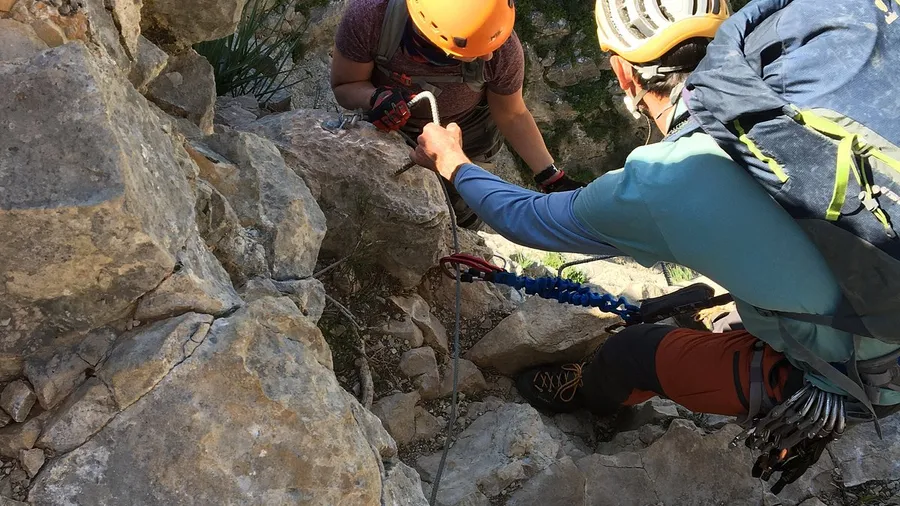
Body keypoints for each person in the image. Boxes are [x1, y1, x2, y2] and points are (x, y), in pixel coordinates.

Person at [410, 0, 900, 492]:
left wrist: (453, 162)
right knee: (704, 305)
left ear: (624, 74)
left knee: (629, 352)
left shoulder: (667, 181)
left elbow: (527, 219)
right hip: (872, 291)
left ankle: (592, 395)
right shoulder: (819, 53)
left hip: (857, 373)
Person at [330, 0, 584, 229]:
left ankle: (465, 235)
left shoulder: (501, 47)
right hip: (391, 127)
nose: (488, 54)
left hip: (469, 134)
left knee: (464, 203)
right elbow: (346, 85)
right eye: (475, 49)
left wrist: (551, 177)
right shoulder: (372, 18)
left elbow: (512, 114)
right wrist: (374, 98)